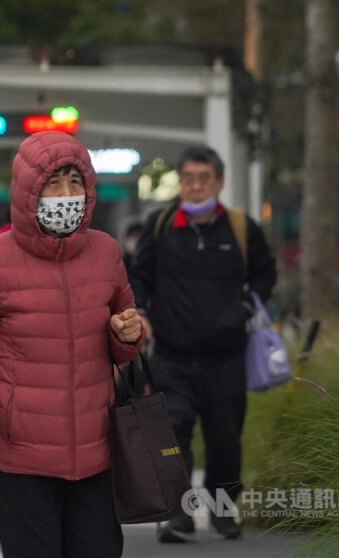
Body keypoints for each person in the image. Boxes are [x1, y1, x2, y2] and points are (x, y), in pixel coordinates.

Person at [0, 131, 144, 558]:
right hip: (20, 459)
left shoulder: (106, 253)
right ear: (28, 190)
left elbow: (124, 339)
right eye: (53, 183)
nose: (66, 194)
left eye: (75, 181)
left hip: (97, 454)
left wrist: (127, 335)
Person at [128, 145, 277, 543]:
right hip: (172, 357)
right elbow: (138, 276)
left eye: (203, 178)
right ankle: (178, 514)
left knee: (225, 441)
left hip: (226, 357)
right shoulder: (159, 226)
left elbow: (265, 274)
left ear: (219, 182)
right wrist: (140, 311)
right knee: (172, 434)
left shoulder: (242, 229)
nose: (195, 186)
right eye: (188, 178)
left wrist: (245, 307)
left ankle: (223, 512)